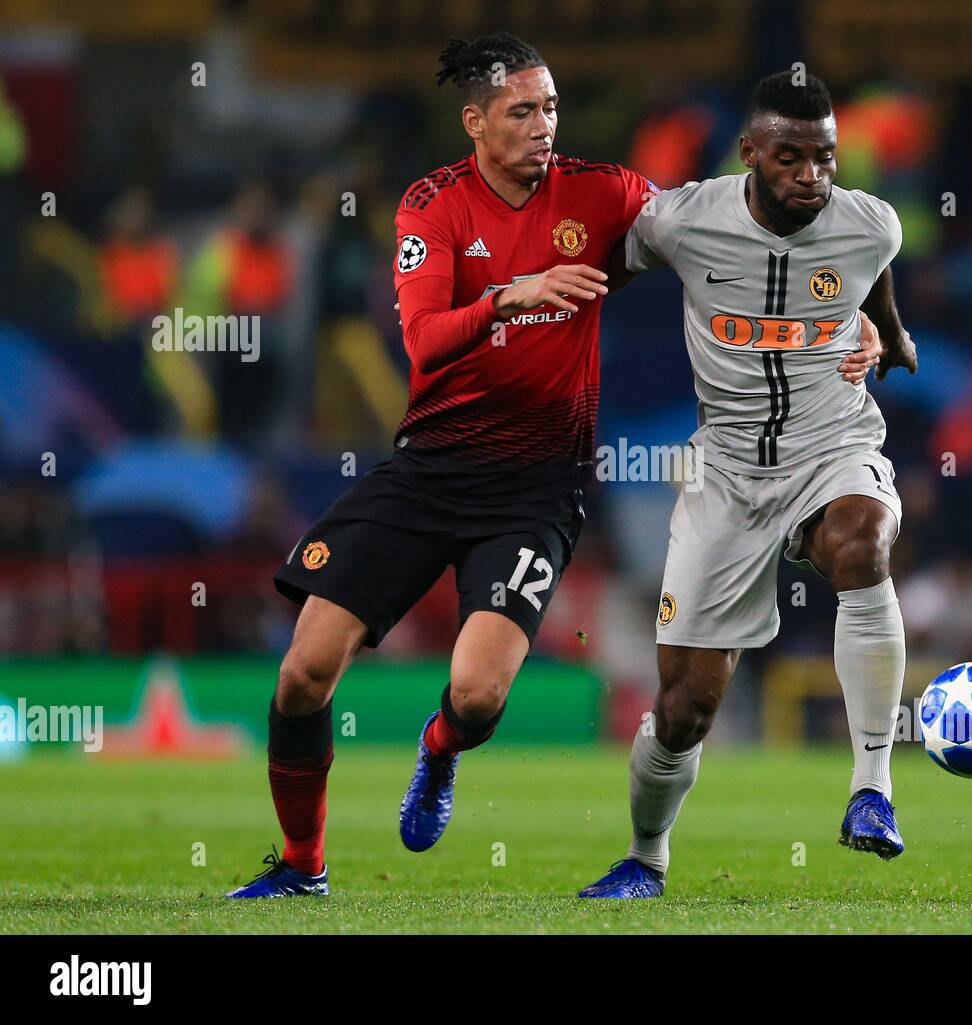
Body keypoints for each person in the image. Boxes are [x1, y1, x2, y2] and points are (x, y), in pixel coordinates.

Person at [227, 32, 657, 898]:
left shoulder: (604, 194)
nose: (544, 127)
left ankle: (438, 749)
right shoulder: (434, 206)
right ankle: (302, 865)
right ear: (475, 122)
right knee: (305, 671)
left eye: (552, 108)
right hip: (428, 472)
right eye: (522, 112)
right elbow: (423, 344)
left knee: (477, 696)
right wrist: (512, 295)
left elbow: (715, 235)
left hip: (536, 489)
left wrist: (841, 307)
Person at [579, 69, 918, 899]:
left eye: (827, 159)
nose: (813, 175)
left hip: (831, 439)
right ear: (751, 153)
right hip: (725, 469)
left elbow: (875, 277)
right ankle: (645, 856)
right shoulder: (685, 220)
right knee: (686, 703)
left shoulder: (869, 222)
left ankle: (871, 788)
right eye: (793, 158)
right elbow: (602, 267)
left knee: (861, 542)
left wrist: (890, 337)